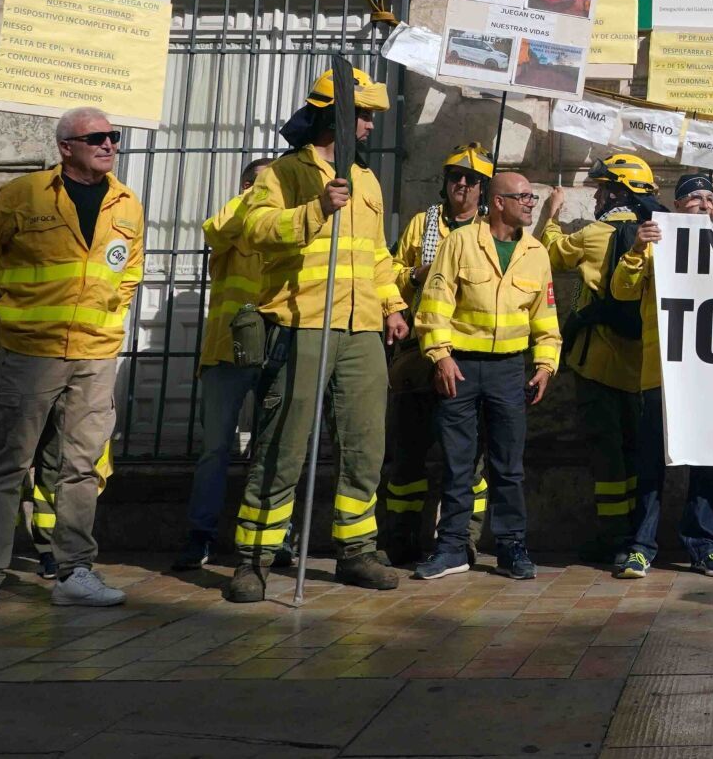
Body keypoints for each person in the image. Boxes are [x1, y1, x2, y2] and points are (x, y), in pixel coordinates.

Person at [223, 67, 407, 604]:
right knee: (283, 445)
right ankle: (254, 559)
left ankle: (356, 551)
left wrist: (392, 304)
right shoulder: (281, 173)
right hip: (303, 324)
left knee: (365, 444)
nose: (370, 125)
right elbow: (255, 230)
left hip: (362, 328)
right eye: (363, 115)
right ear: (334, 116)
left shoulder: (367, 180)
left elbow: (376, 253)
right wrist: (317, 208)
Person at [0, 106, 145, 624]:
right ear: (66, 147)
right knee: (9, 465)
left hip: (94, 354)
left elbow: (129, 271)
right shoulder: (25, 195)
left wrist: (110, 319)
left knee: (81, 468)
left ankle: (74, 572)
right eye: (97, 138)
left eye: (114, 137)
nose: (109, 145)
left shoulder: (127, 204)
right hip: (28, 352)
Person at [412, 170, 556, 580]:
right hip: (460, 367)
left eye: (532, 196)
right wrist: (440, 356)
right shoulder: (459, 242)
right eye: (523, 196)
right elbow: (435, 305)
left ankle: (512, 548)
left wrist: (545, 365)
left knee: (508, 466)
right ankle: (453, 547)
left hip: (509, 371)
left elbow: (545, 317)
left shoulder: (536, 252)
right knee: (458, 464)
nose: (531, 203)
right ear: (498, 202)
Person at [539, 153, 662, 570]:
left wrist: (551, 215)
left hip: (597, 365)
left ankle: (614, 537)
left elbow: (550, 255)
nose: (595, 197)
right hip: (643, 367)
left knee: (607, 457)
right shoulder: (661, 236)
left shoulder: (594, 234)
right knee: (632, 454)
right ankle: (633, 531)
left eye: (600, 189)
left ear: (615, 191)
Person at [612, 172, 713, 578]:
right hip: (658, 377)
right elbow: (621, 293)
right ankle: (642, 546)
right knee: (650, 466)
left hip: (710, 380)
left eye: (708, 197)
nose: (702, 203)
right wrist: (636, 248)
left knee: (706, 464)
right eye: (693, 198)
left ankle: (703, 545)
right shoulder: (655, 243)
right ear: (678, 205)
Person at [382, 144, 493, 564]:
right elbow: (390, 275)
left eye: (471, 180)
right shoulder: (421, 225)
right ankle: (401, 539)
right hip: (418, 355)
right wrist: (415, 275)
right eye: (454, 177)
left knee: (468, 460)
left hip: (468, 356)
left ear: (483, 189)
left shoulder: (490, 231)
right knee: (408, 453)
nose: (461, 185)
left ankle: (464, 538)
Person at [172, 158, 281, 571]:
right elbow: (214, 230)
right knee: (215, 450)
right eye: (261, 185)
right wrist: (258, 193)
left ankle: (273, 536)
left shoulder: (281, 222)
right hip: (226, 351)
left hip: (275, 346)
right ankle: (200, 536)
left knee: (274, 450)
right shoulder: (233, 219)